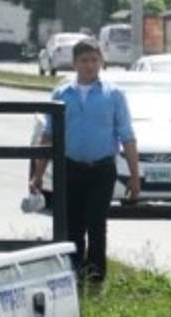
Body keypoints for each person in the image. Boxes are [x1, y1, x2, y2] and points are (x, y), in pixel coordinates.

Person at [30, 38, 141, 284]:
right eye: (84, 61)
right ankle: (73, 273)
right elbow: (49, 135)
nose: (89, 66)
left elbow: (127, 136)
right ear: (74, 63)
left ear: (101, 62)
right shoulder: (62, 93)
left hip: (101, 168)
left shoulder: (113, 95)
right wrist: (38, 174)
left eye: (94, 60)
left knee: (96, 222)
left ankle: (96, 276)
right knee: (73, 224)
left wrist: (135, 175)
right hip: (70, 168)